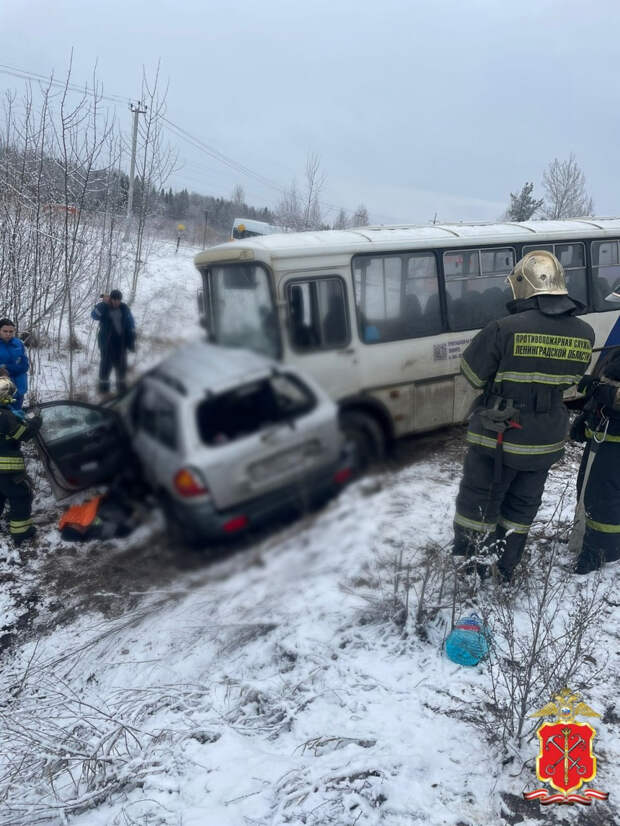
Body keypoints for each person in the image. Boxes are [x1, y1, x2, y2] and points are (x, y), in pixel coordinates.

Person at [452, 250, 595, 582]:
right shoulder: (585, 333)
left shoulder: (504, 328)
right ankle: (505, 567)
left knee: (480, 502)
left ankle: (472, 570)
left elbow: (472, 375)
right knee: (522, 506)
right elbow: (570, 381)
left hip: (499, 437)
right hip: (545, 439)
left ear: (524, 284)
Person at [570, 283, 620, 574]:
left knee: (604, 498)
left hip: (615, 440)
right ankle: (592, 543)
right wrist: (587, 414)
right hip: (605, 434)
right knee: (591, 492)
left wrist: (600, 392)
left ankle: (601, 553)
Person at [0, 376, 42, 545]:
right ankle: (21, 532)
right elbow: (23, 434)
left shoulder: (6, 415)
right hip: (7, 469)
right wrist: (36, 421)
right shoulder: (5, 416)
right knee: (20, 495)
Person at [91, 289, 136, 395]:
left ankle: (121, 389)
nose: (116, 302)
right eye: (114, 299)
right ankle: (104, 390)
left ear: (120, 300)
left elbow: (131, 324)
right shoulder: (104, 307)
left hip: (121, 343)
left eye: (118, 299)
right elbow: (94, 315)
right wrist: (103, 304)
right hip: (107, 343)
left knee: (121, 367)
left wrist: (131, 341)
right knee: (105, 366)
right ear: (111, 299)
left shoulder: (124, 308)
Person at [0, 318, 29, 411]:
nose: (8, 334)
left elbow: (25, 366)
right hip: (4, 390)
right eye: (5, 331)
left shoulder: (18, 344)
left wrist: (6, 367)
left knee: (17, 414)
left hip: (20, 387)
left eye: (11, 331)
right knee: (5, 415)